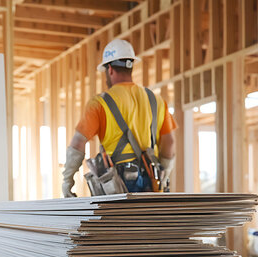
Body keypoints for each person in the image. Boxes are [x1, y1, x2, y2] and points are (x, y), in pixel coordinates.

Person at [62, 39, 178, 197]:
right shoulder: (156, 100)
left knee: (118, 222)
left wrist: (68, 181)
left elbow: (78, 143)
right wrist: (163, 174)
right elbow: (169, 142)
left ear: (109, 69)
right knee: (150, 222)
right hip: (151, 179)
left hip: (116, 183)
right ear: (131, 66)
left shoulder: (100, 103)